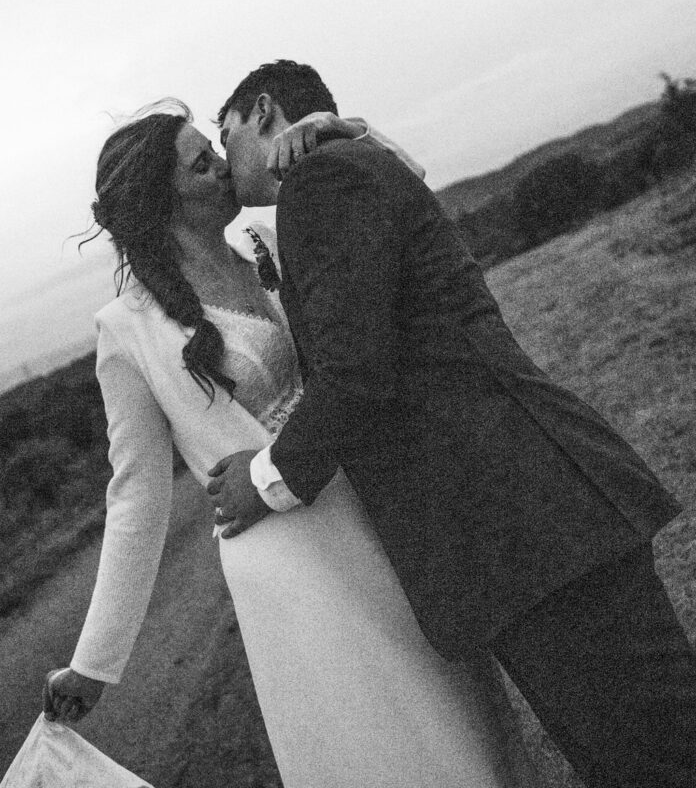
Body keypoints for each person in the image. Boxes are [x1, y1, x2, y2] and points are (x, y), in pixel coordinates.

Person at [210, 59, 696, 788]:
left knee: (655, 755)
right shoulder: (353, 165)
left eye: (227, 138)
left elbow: (355, 373)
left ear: (267, 110)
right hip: (532, 522)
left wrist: (268, 479)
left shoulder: (322, 181)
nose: (225, 163)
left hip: (523, 525)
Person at [42, 99, 535, 788]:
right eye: (202, 162)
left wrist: (343, 136)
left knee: (466, 720)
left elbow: (405, 208)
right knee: (390, 743)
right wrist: (94, 663)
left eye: (215, 150)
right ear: (164, 197)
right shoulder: (127, 331)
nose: (223, 166)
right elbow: (136, 496)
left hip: (382, 510)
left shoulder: (273, 243)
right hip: (296, 567)